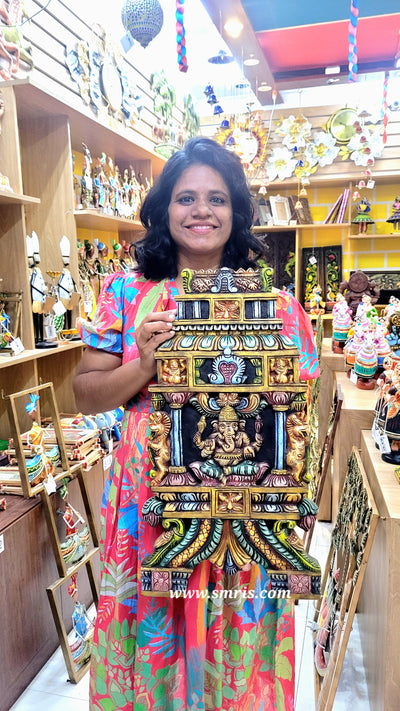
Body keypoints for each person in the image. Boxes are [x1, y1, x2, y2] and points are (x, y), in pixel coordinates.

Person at [73, 136, 319, 711]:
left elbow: (297, 413)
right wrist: (143, 366)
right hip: (150, 501)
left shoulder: (279, 306)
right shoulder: (127, 293)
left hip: (245, 506)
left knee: (235, 629)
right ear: (164, 209)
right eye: (186, 198)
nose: (201, 211)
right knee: (153, 621)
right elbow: (84, 393)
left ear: (237, 212)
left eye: (217, 198)